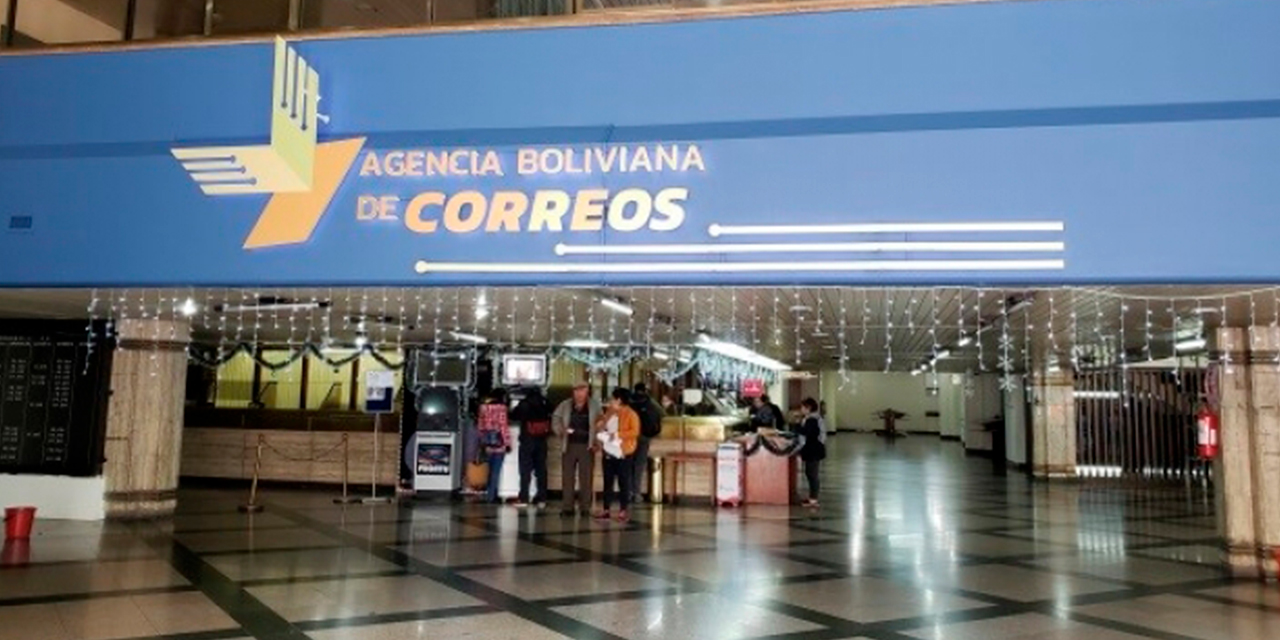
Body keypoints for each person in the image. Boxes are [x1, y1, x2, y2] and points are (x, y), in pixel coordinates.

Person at [552, 382, 601, 517]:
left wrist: (598, 442)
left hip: (587, 445)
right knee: (568, 477)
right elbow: (555, 419)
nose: (579, 394)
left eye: (582, 391)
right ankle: (567, 507)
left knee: (586, 478)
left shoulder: (594, 405)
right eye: (576, 391)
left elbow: (601, 424)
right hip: (569, 445)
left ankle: (585, 507)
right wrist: (560, 430)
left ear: (587, 392)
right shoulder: (565, 404)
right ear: (573, 392)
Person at [595, 387, 640, 522]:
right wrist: (601, 425)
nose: (611, 401)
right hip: (608, 451)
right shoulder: (609, 411)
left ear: (619, 400)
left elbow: (635, 432)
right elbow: (599, 425)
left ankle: (623, 510)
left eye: (613, 398)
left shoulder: (631, 414)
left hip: (623, 452)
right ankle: (606, 509)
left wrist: (617, 435)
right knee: (607, 481)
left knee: (623, 482)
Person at [511, 387, 553, 508]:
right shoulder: (545, 402)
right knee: (541, 470)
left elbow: (514, 416)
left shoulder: (525, 404)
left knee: (525, 470)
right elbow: (553, 411)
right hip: (542, 439)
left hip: (527, 440)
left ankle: (524, 498)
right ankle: (542, 499)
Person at [629, 383, 664, 504]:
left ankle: (628, 492)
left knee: (628, 465)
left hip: (630, 437)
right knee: (639, 465)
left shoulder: (628, 401)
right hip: (645, 437)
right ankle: (637, 493)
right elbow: (662, 414)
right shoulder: (650, 402)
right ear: (645, 390)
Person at [477, 391, 512, 504]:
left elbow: (480, 426)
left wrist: (483, 442)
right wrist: (507, 443)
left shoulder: (483, 408)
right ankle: (491, 497)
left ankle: (491, 494)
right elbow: (503, 427)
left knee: (490, 470)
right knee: (496, 471)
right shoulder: (501, 408)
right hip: (499, 444)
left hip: (488, 443)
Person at [797, 397, 827, 508]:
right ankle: (812, 497)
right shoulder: (812, 418)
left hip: (813, 450)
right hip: (813, 450)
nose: (801, 409)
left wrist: (797, 427)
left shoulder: (812, 420)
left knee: (812, 474)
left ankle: (814, 499)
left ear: (808, 408)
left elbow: (807, 433)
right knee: (810, 473)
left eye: (802, 407)